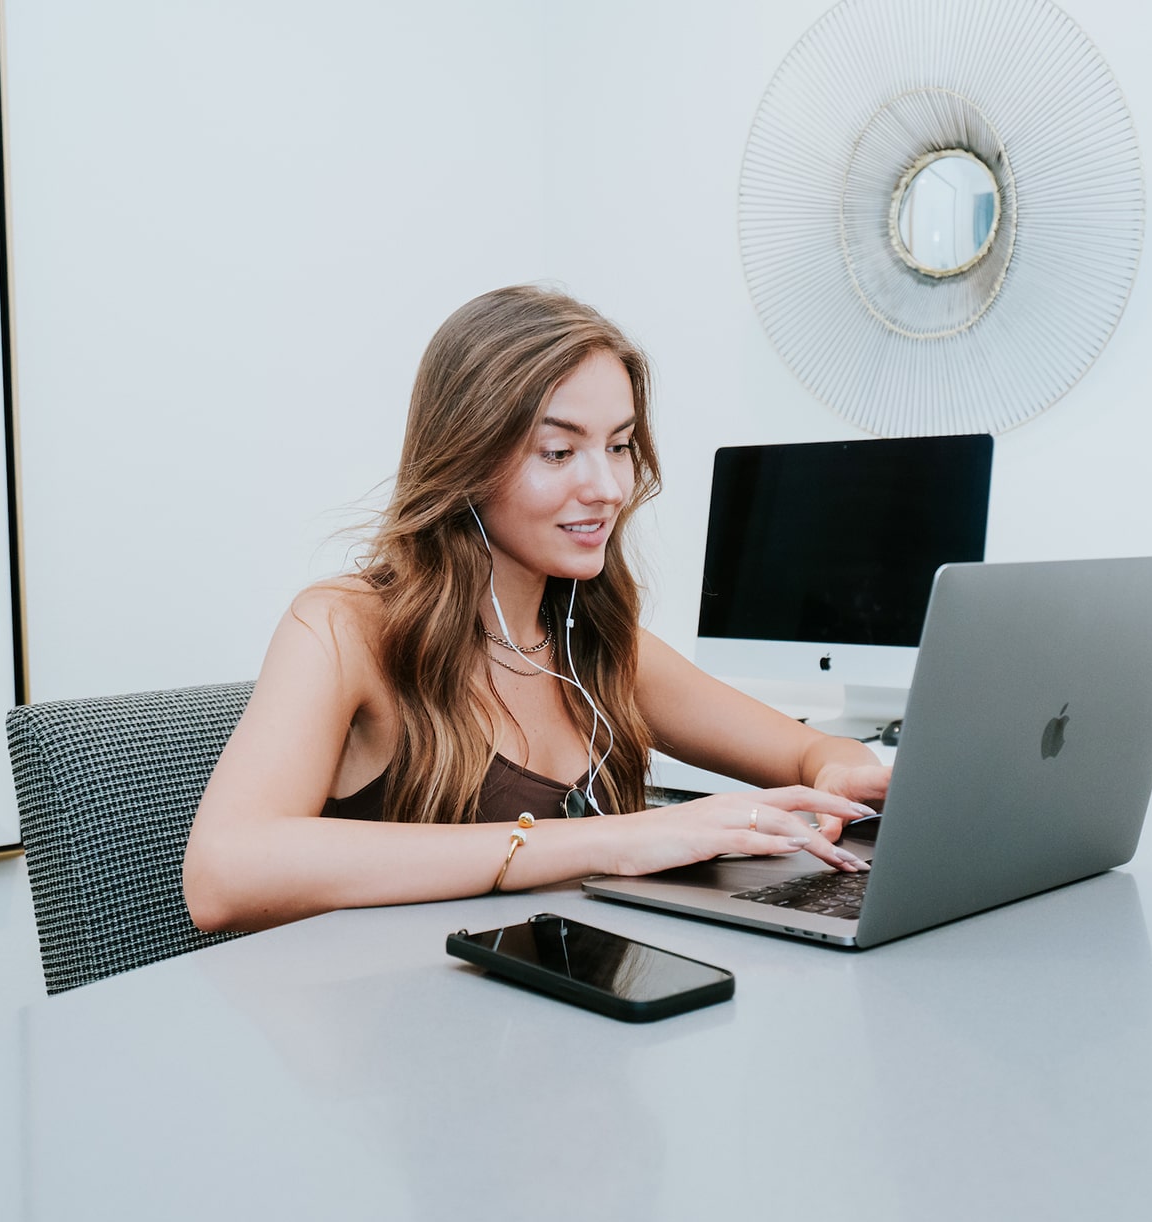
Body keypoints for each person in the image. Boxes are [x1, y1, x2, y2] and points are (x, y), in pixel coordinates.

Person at [184, 285, 889, 933]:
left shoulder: (598, 639)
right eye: (558, 451)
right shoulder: (342, 628)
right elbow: (222, 874)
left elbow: (808, 750)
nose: (609, 486)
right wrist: (612, 840)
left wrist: (837, 766)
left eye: (618, 445)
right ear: (465, 457)